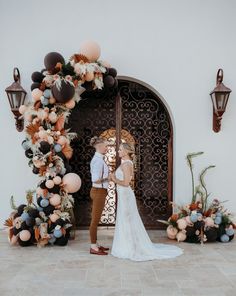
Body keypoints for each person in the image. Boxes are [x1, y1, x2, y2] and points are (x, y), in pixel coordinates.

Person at [110, 142, 183, 261]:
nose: (118, 151)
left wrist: (114, 179)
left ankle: (131, 247)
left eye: (120, 149)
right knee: (125, 220)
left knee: (127, 219)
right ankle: (126, 245)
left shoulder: (126, 165)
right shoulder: (125, 163)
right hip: (123, 195)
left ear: (127, 151)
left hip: (126, 196)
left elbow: (126, 183)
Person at [89, 136, 110, 255]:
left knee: (96, 219)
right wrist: (109, 178)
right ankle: (93, 247)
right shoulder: (97, 160)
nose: (107, 147)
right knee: (95, 220)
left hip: (99, 191)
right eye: (106, 145)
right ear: (99, 146)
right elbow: (96, 179)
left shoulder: (99, 159)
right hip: (98, 192)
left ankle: (95, 244)